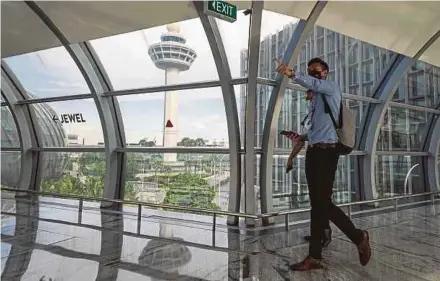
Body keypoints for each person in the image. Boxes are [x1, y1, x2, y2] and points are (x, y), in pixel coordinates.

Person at [276, 57, 371, 271]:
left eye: (316, 70)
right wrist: (301, 136)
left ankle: (358, 237)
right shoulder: (316, 101)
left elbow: (315, 84)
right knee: (318, 204)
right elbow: (317, 131)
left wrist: (293, 74)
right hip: (315, 152)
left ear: (325, 72)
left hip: (327, 154)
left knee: (323, 204)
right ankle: (316, 252)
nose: (312, 73)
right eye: (310, 71)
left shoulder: (330, 88)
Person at [281, 90, 332, 248]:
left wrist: (300, 139)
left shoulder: (324, 112)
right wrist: (293, 152)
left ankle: (325, 232)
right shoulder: (313, 114)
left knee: (321, 200)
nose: (306, 96)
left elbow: (312, 136)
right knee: (316, 200)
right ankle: (320, 234)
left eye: (308, 93)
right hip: (315, 157)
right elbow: (306, 138)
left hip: (324, 157)